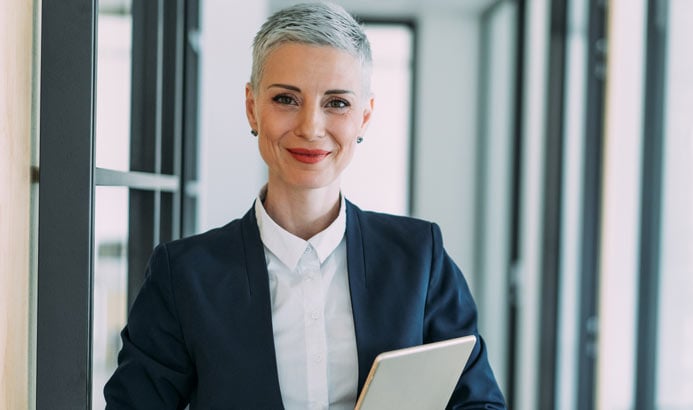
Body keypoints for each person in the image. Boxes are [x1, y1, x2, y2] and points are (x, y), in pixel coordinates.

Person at [104, 2, 506, 409]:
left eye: (337, 103)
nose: (311, 127)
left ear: (364, 117)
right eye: (286, 99)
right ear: (252, 107)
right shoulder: (184, 276)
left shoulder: (421, 258)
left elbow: (478, 402)